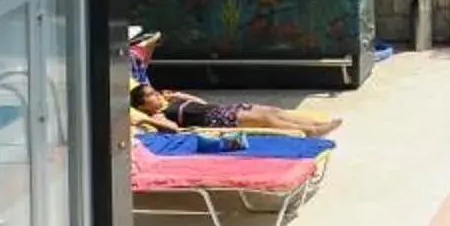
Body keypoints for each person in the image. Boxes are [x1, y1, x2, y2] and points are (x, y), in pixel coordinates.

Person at [131, 83, 334, 140]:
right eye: (150, 95)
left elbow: (201, 102)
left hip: (219, 109)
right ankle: (310, 131)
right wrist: (154, 121)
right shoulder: (159, 116)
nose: (155, 94)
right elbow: (174, 129)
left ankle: (314, 125)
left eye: (154, 91)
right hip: (216, 120)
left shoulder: (170, 102)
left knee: (272, 111)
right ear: (142, 106)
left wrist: (181, 95)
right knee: (266, 120)